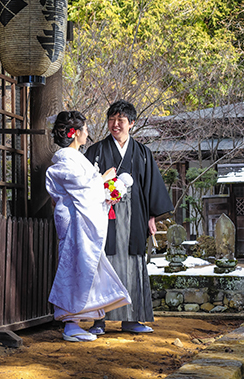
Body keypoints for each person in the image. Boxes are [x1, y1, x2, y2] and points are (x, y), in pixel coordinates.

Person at [84, 100, 174, 334]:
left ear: (131, 123)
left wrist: (152, 216)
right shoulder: (96, 151)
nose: (115, 124)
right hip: (104, 214)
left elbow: (150, 187)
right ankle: (99, 320)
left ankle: (132, 319)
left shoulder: (142, 153)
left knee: (134, 263)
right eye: (111, 119)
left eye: (121, 120)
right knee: (104, 263)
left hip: (135, 214)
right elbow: (85, 184)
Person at [45, 110, 132, 342]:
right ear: (75, 134)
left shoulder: (75, 158)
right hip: (75, 222)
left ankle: (75, 321)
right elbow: (82, 189)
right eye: (84, 129)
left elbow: (88, 189)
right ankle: (70, 323)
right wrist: (103, 180)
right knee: (73, 267)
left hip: (81, 220)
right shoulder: (66, 160)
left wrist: (109, 192)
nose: (87, 133)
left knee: (85, 268)